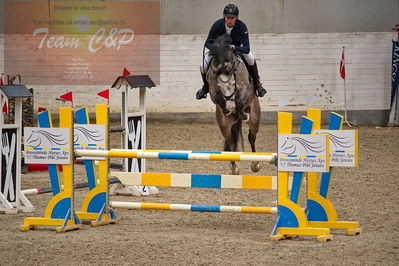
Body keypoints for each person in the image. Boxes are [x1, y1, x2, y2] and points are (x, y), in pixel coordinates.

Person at [196, 3, 267, 100]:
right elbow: (207, 43)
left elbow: (247, 48)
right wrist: (218, 49)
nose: (230, 20)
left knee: (250, 59)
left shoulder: (242, 26)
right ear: (224, 17)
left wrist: (234, 47)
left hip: (236, 48)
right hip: (219, 51)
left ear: (236, 18)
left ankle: (258, 84)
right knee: (203, 66)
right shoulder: (217, 25)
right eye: (228, 17)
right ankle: (205, 87)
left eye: (232, 18)